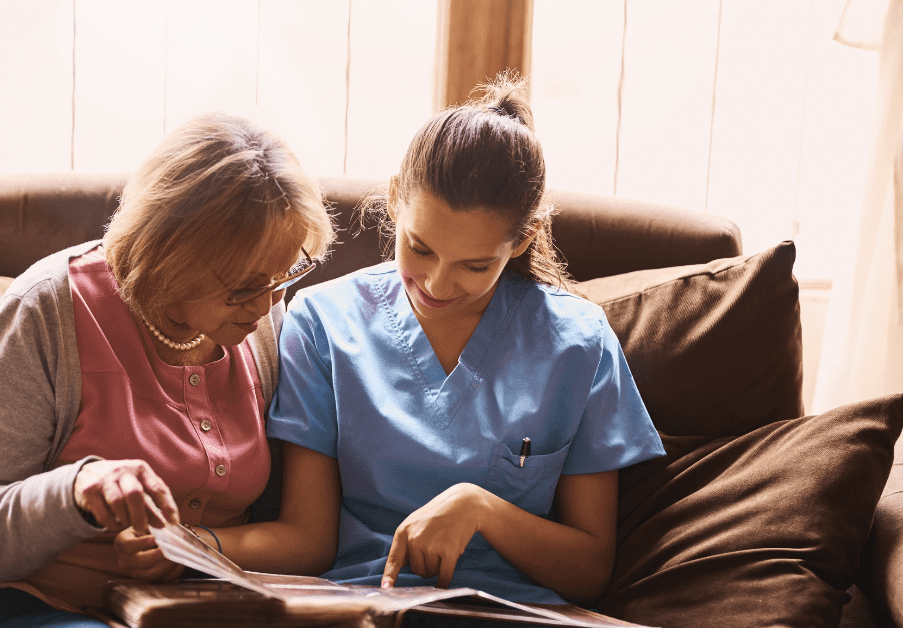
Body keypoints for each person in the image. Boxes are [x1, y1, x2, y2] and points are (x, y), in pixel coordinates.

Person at [0, 111, 336, 628]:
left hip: (189, 606)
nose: (266, 306)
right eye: (242, 288)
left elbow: (302, 530)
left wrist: (195, 548)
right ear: (170, 257)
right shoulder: (46, 310)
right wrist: (77, 490)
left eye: (283, 275)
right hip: (34, 601)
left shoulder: (261, 320)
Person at [259, 75, 666, 609]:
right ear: (394, 199)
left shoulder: (580, 345)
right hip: (362, 605)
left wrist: (482, 509)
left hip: (515, 615)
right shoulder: (321, 322)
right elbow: (307, 538)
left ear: (521, 240)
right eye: (420, 248)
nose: (436, 284)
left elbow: (589, 572)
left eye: (475, 266)